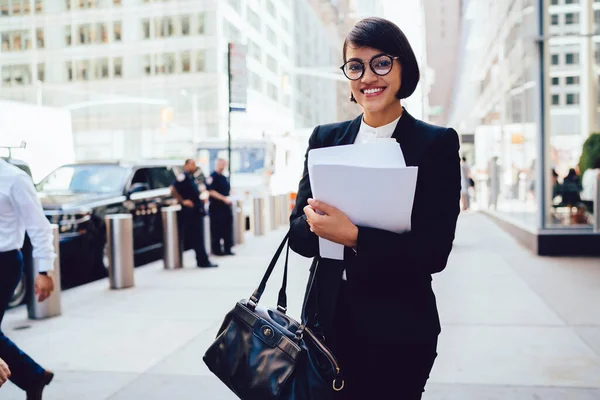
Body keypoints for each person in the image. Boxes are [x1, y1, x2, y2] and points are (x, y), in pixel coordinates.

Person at [288, 17, 461, 400]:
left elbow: (433, 252)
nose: (369, 76)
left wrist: (352, 235)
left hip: (399, 331)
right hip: (326, 327)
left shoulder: (435, 145)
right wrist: (316, 224)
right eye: (356, 66)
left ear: (403, 68)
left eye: (381, 63)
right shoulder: (326, 139)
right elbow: (297, 234)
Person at [0, 158, 56, 399]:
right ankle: (34, 376)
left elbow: (39, 227)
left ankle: (33, 376)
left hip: (4, 262)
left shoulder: (14, 178)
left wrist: (44, 271)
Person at [170, 159, 217, 268]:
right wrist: (183, 201)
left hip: (197, 210)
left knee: (199, 237)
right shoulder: (183, 176)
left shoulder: (192, 177)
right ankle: (202, 261)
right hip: (191, 212)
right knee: (197, 237)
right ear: (186, 165)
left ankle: (203, 260)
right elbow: (173, 189)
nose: (194, 166)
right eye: (192, 164)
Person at [206, 158, 234, 256]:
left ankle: (227, 248)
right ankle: (217, 250)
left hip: (226, 207)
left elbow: (228, 190)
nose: (223, 166)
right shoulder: (212, 177)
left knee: (227, 229)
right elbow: (210, 191)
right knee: (217, 230)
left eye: (224, 164)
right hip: (216, 207)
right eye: (221, 164)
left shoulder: (224, 177)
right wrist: (223, 198)